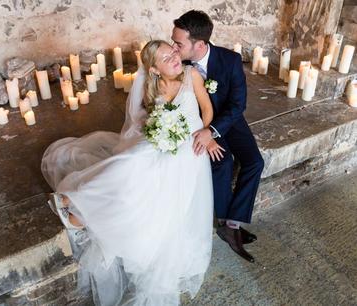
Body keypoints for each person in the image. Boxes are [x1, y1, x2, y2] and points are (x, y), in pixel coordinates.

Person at [41, 40, 220, 305]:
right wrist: (159, 131)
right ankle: (73, 200)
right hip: (164, 142)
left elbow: (207, 110)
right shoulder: (154, 87)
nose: (173, 56)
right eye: (165, 57)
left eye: (172, 52)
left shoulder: (191, 75)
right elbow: (144, 118)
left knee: (137, 169)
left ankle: (77, 206)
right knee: (131, 160)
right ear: (155, 70)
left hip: (190, 147)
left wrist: (204, 133)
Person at [171, 10, 265, 263]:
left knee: (255, 162)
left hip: (228, 121)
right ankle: (225, 222)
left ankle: (232, 223)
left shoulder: (230, 60)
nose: (173, 47)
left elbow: (238, 105)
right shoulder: (176, 64)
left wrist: (212, 130)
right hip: (195, 122)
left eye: (178, 43)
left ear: (199, 44)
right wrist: (202, 131)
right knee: (222, 163)